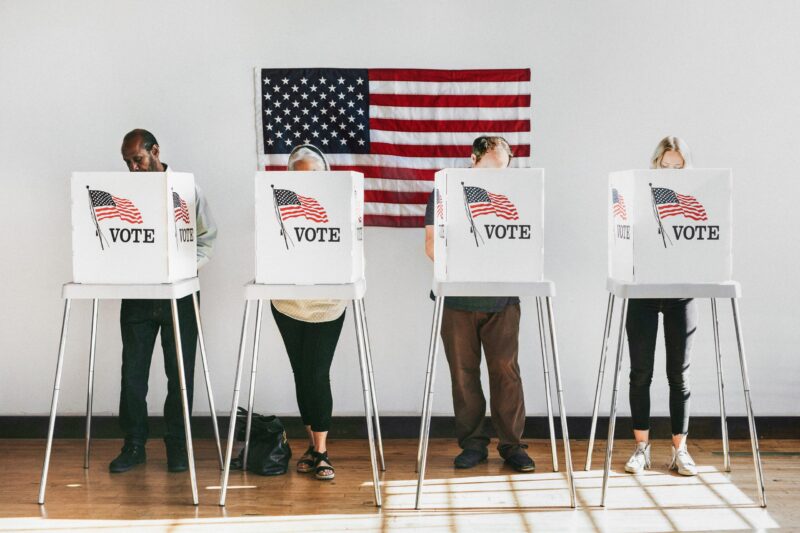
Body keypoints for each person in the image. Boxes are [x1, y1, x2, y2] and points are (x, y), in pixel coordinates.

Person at [423, 136, 534, 472]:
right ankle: (472, 444)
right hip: (457, 297)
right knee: (463, 374)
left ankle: (513, 446)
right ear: (472, 160)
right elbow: (430, 245)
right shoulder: (444, 192)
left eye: (503, 170)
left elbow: (528, 241)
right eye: (490, 169)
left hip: (502, 299)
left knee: (506, 373)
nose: (496, 177)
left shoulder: (516, 195)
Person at [109, 129, 217, 473]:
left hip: (181, 292)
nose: (133, 169)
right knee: (133, 374)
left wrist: (184, 268)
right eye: (128, 163)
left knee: (180, 373)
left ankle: (177, 446)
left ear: (155, 151)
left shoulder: (187, 189)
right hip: (139, 293)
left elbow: (207, 238)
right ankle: (134, 444)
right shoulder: (124, 193)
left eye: (138, 159)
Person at [624, 135, 698, 477]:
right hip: (643, 289)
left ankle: (680, 450)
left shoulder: (696, 197)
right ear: (655, 164)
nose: (670, 172)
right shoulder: (637, 194)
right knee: (641, 373)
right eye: (664, 166)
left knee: (678, 374)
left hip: (680, 290)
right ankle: (642, 447)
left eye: (677, 167)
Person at [271, 144, 345, 480]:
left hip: (327, 304)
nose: (307, 183)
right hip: (287, 303)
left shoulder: (341, 205)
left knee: (318, 373)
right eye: (299, 177)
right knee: (301, 374)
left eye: (313, 176)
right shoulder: (277, 207)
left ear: (325, 175)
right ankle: (310, 446)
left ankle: (322, 450)